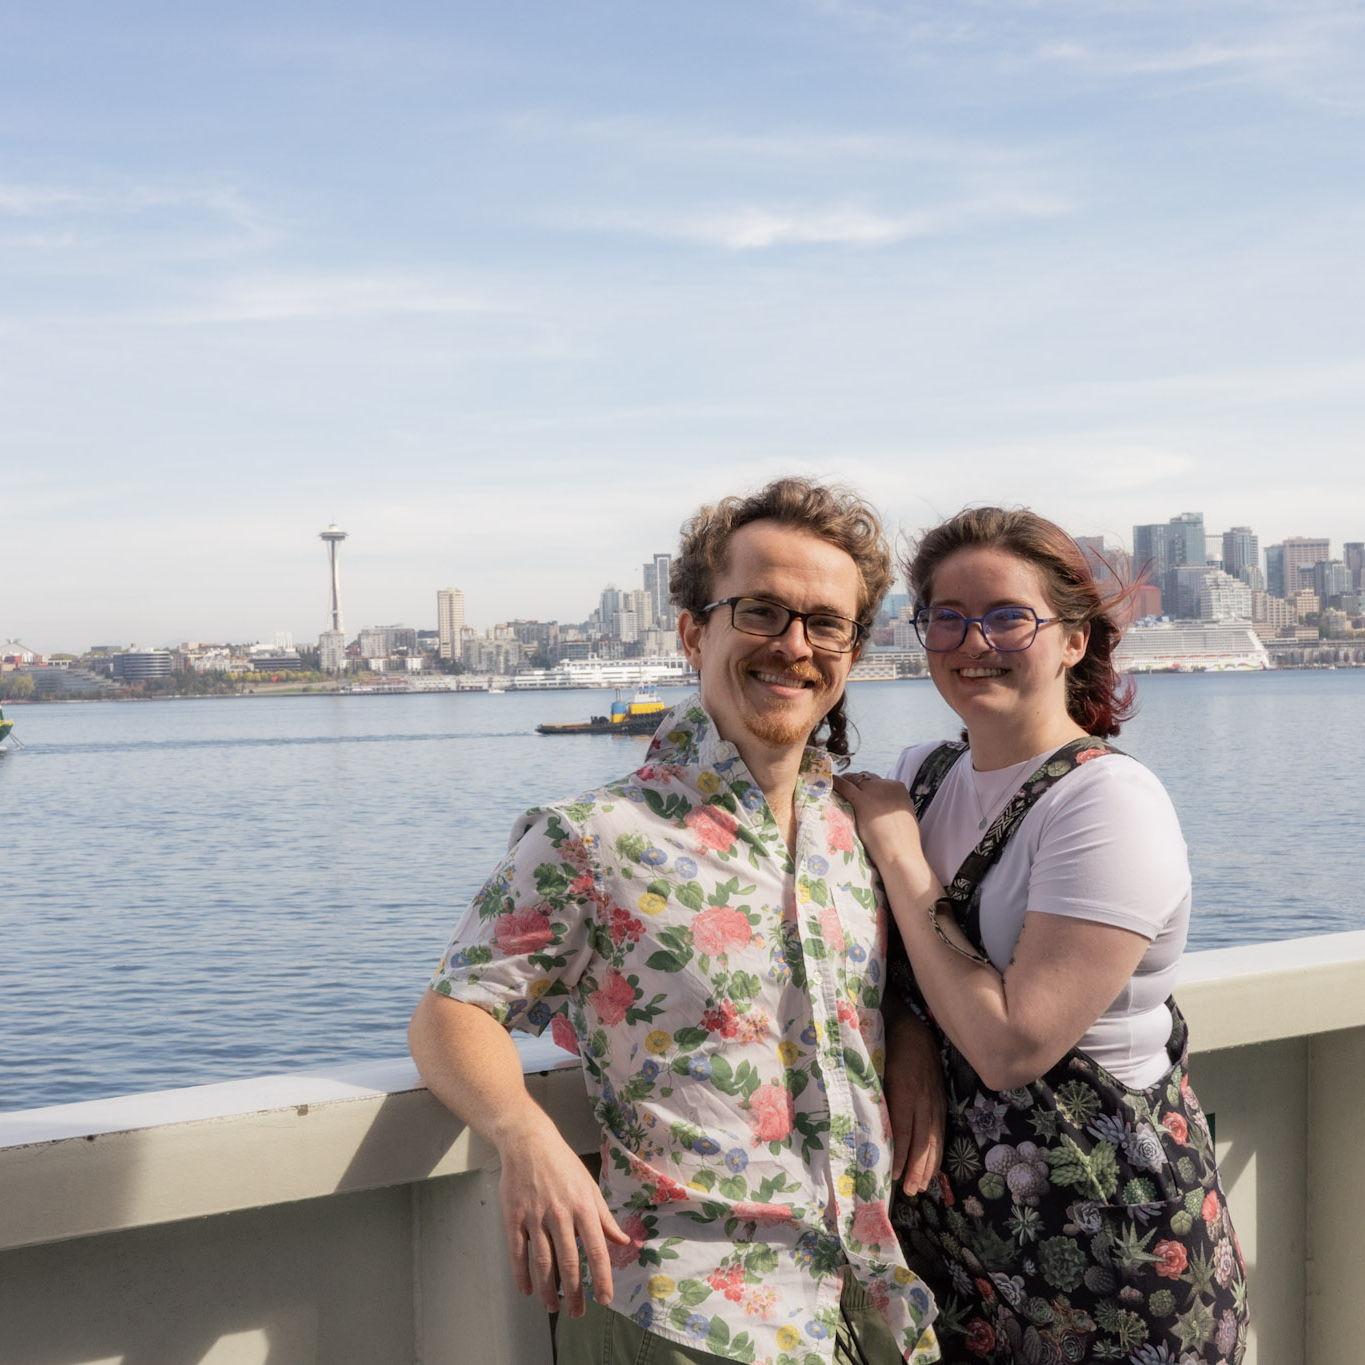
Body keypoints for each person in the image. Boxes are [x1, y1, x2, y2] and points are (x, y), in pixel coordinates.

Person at [409, 477, 942, 1365]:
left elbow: (853, 995)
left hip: (859, 1308)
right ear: (695, 632)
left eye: (826, 624)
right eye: (761, 611)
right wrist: (523, 1134)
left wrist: (909, 1031)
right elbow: (453, 1010)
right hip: (685, 1318)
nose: (794, 646)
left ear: (852, 649)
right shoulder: (592, 836)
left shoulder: (853, 831)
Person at [836, 507, 1248, 1364]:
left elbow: (1011, 1045)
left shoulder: (1106, 802)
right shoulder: (919, 776)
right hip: (955, 1250)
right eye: (946, 616)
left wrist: (900, 852)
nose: (972, 641)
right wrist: (905, 1029)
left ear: (1072, 640)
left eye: (1006, 617)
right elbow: (874, 960)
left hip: (1111, 1247)